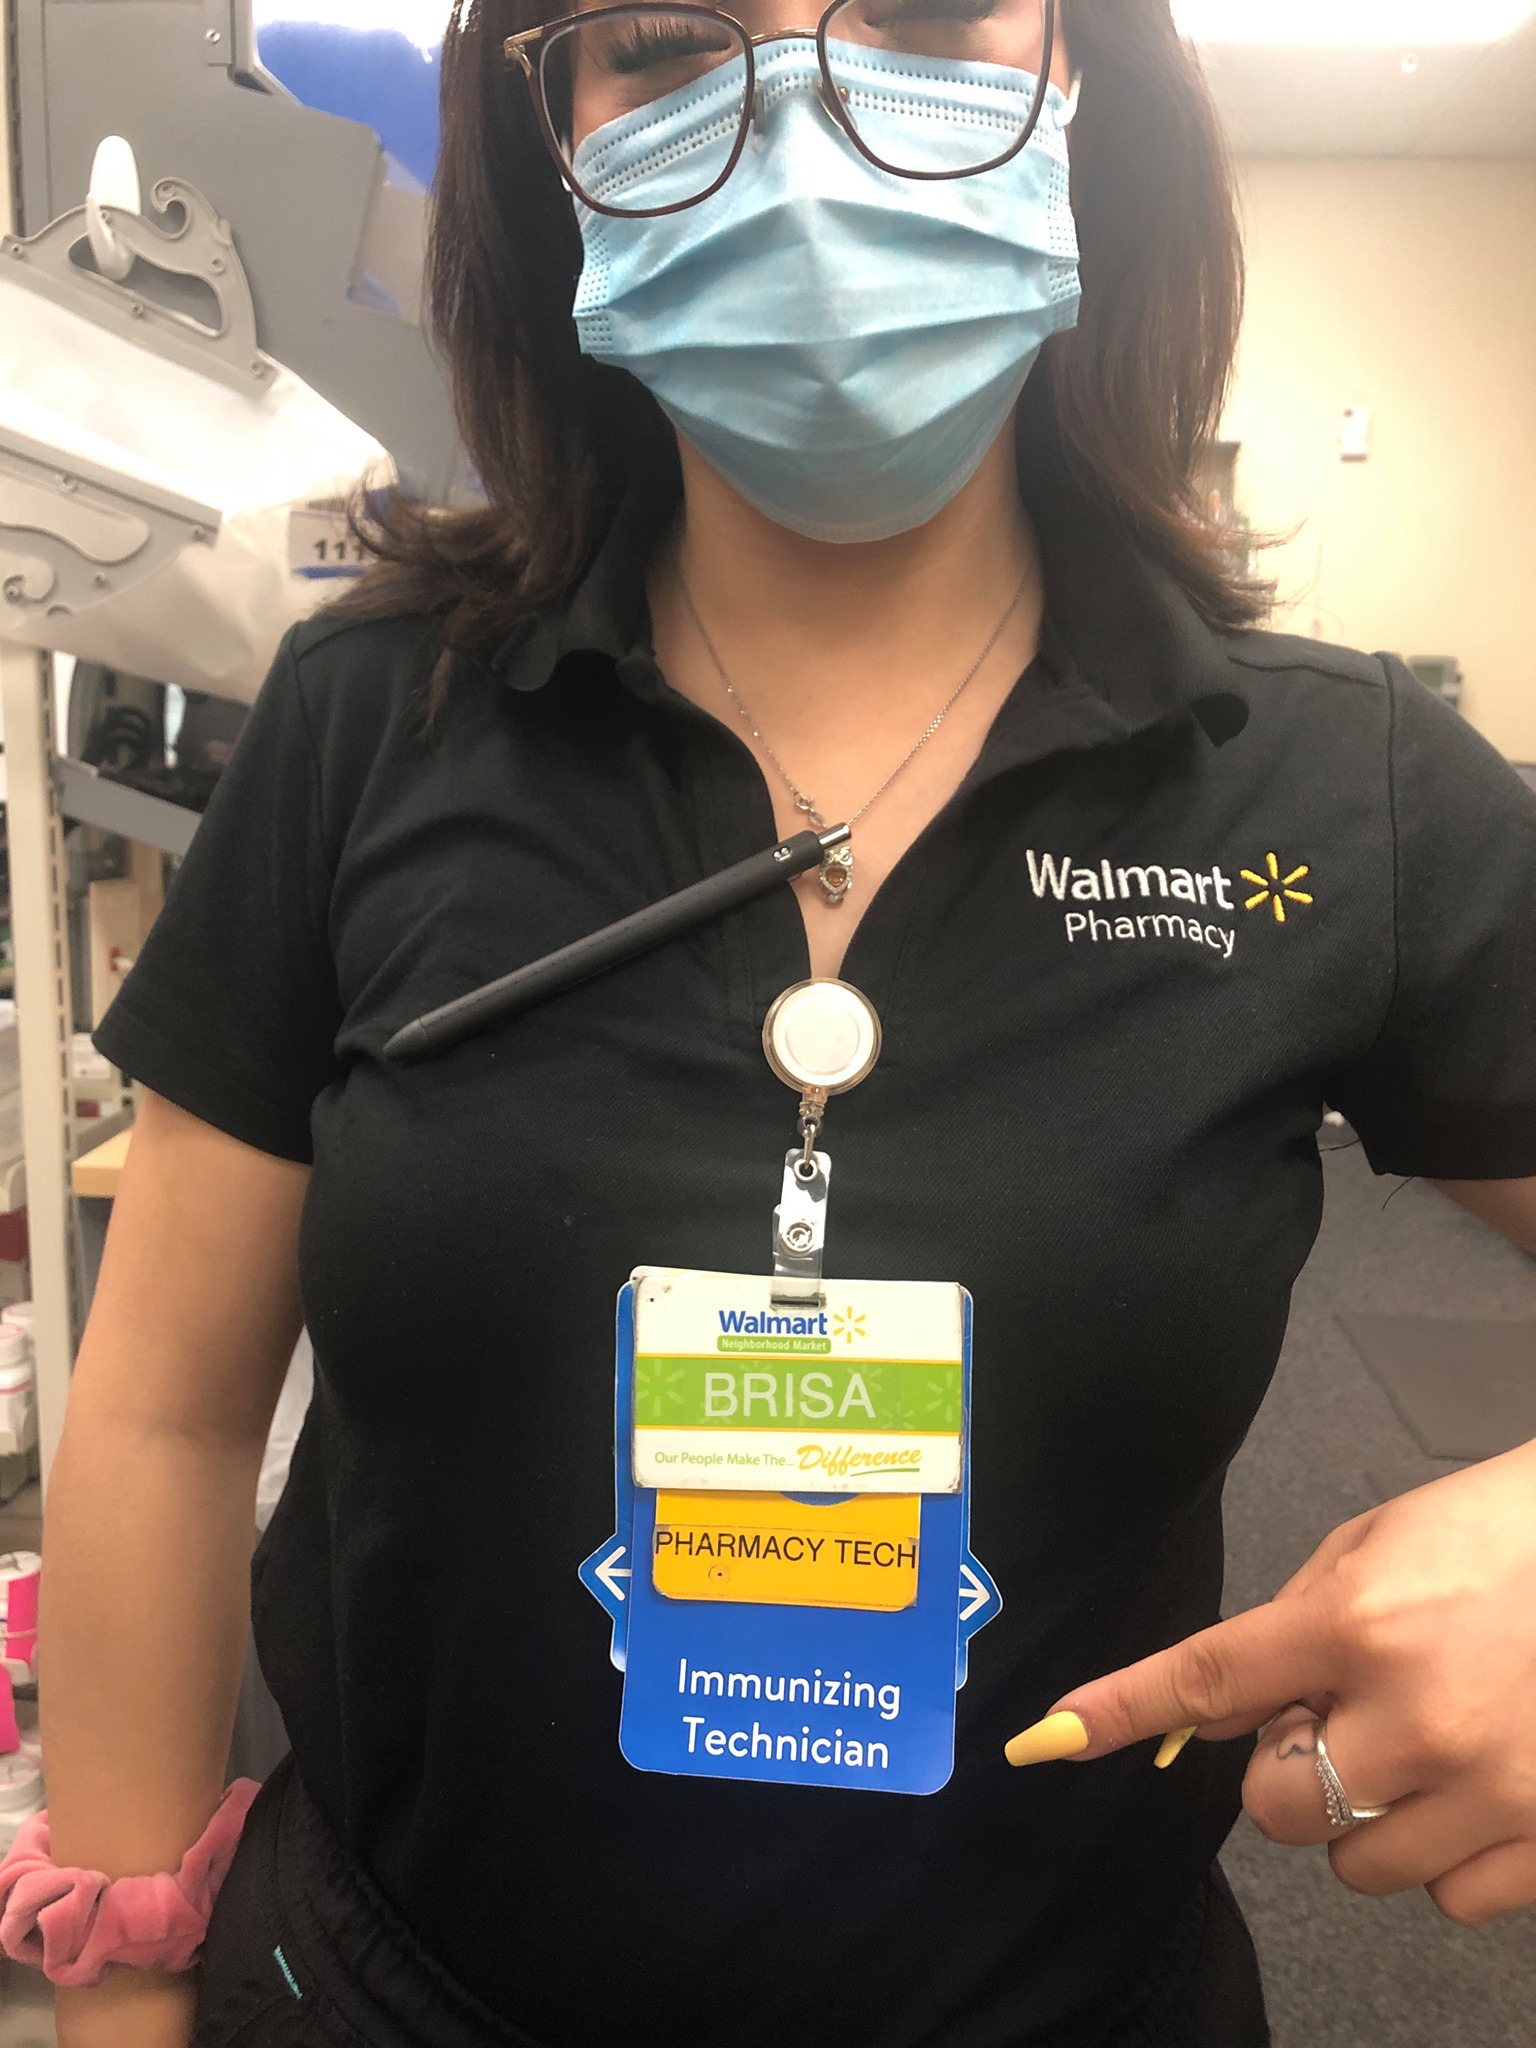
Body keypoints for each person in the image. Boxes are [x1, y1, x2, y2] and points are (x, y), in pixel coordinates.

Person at [9, 0, 1536, 2043]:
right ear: (550, 135)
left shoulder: (1345, 790)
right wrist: (116, 1987)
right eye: (664, 38)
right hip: (382, 1991)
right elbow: (167, 1417)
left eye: (924, 12)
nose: (805, 124)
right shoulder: (369, 723)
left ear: (1085, 77)